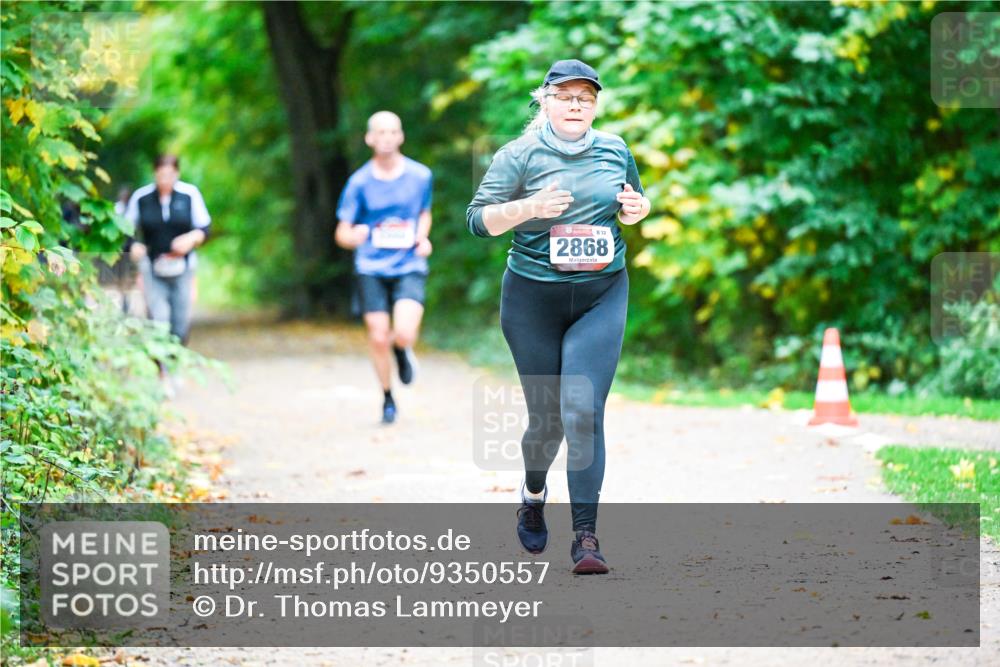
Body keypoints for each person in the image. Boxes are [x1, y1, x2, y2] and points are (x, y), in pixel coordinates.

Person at [467, 60, 651, 574]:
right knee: (547, 421)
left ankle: (586, 538)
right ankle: (532, 492)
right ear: (544, 101)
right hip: (533, 301)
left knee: (584, 411)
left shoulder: (615, 149)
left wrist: (638, 210)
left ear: (595, 105)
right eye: (566, 97)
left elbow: (631, 203)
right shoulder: (518, 156)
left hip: (601, 293)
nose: (576, 105)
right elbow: (477, 221)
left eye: (585, 98)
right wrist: (528, 209)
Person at [335, 111, 433, 424]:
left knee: (403, 332)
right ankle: (388, 397)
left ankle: (403, 351)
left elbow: (424, 213)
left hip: (408, 264)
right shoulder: (359, 182)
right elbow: (342, 232)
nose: (387, 138)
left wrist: (422, 237)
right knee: (378, 336)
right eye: (381, 132)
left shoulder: (420, 176)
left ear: (401, 136)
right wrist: (355, 236)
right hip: (371, 267)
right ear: (370, 139)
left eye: (393, 132)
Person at [125, 155, 211, 391]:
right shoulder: (141, 198)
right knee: (158, 320)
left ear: (177, 174)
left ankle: (175, 365)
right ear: (155, 174)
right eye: (161, 175)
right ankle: (162, 373)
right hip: (153, 268)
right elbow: (124, 231)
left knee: (180, 323)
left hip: (183, 268)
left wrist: (192, 238)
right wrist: (133, 246)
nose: (165, 179)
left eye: (170, 175)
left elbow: (205, 227)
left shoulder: (189, 195)